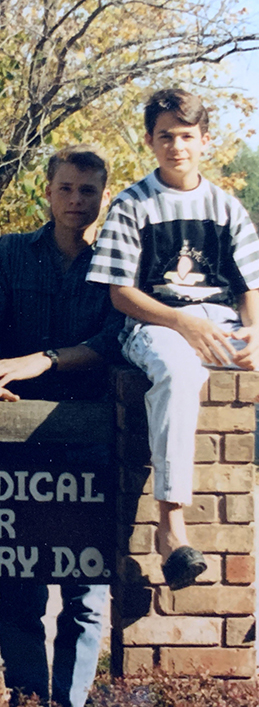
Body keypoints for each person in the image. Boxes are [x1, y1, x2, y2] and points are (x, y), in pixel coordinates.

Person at [0, 145, 122, 707]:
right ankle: (28, 699)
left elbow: (112, 342)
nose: (76, 201)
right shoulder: (8, 253)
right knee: (21, 586)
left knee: (84, 591)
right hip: (14, 441)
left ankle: (69, 702)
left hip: (86, 444)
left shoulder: (117, 262)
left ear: (103, 196)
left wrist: (45, 359)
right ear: (47, 192)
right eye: (67, 189)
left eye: (88, 191)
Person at [87, 88, 259, 590]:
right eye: (166, 136)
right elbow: (121, 295)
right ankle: (171, 527)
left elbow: (251, 287)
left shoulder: (226, 208)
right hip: (153, 323)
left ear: (204, 141)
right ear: (150, 141)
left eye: (187, 136)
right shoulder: (131, 204)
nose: (177, 146)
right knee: (181, 373)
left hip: (218, 319)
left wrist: (254, 336)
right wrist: (183, 324)